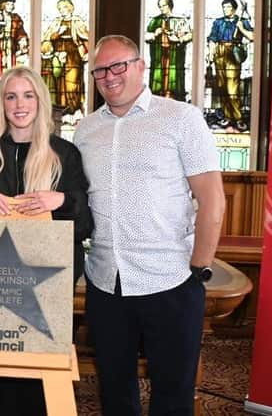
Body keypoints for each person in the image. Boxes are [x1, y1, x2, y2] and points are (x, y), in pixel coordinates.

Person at [74, 35, 225, 415]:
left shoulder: (181, 118)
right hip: (106, 281)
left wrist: (199, 269)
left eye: (118, 66)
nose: (109, 77)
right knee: (114, 391)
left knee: (173, 395)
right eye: (99, 71)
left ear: (142, 66)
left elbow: (212, 199)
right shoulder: (85, 129)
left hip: (170, 279)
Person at [0, 65, 93, 416]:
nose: (20, 104)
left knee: (42, 369)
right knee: (1, 367)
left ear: (41, 101)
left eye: (28, 95)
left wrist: (60, 200)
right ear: (1, 103)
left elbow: (85, 225)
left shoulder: (65, 154)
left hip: (49, 280)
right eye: (11, 96)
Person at [207, 0, 254, 131]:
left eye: (228, 7)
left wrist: (241, 29)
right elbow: (212, 38)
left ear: (234, 8)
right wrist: (210, 53)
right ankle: (227, 116)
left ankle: (237, 117)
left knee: (232, 86)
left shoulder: (242, 21)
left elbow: (252, 37)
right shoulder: (218, 22)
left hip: (233, 53)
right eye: (224, 7)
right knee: (222, 86)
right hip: (219, 52)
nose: (226, 9)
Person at [41, 0, 89, 115]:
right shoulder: (57, 22)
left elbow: (86, 37)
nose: (62, 10)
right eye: (60, 8)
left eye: (64, 7)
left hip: (73, 55)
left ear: (70, 8)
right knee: (59, 83)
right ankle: (62, 109)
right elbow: (47, 38)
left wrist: (89, 53)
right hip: (57, 55)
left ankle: (74, 108)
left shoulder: (77, 21)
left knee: (72, 82)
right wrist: (58, 33)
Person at [144, 0, 192, 101]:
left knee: (174, 77)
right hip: (159, 56)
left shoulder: (179, 20)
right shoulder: (154, 21)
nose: (161, 8)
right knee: (158, 77)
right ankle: (157, 99)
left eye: (164, 5)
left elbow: (190, 35)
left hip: (174, 56)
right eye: (160, 6)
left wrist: (179, 39)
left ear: (170, 6)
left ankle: (174, 98)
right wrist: (154, 34)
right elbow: (145, 36)